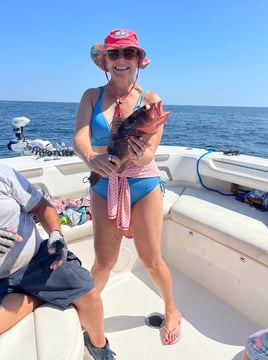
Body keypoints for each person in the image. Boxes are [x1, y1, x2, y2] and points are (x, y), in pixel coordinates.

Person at [73, 28, 181, 345]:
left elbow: (148, 151)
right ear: (105, 60)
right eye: (115, 53)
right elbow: (79, 137)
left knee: (151, 260)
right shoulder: (91, 96)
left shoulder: (150, 100)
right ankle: (87, 310)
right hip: (104, 182)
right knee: (103, 262)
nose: (121, 60)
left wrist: (136, 155)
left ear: (138, 59)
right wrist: (91, 157)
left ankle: (172, 309)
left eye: (128, 53)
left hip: (142, 183)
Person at [0, 163, 115, 360]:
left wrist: (55, 232)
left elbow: (41, 205)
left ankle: (98, 346)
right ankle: (37, 297)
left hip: (36, 260)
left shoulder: (3, 174)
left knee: (89, 294)